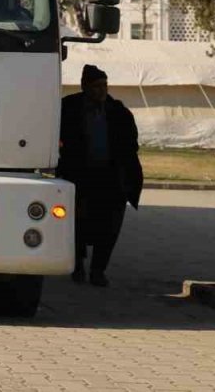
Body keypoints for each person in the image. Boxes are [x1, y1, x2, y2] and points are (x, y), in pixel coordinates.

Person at [57, 64, 143, 287]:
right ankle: (77, 266)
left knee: (109, 226)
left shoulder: (117, 111)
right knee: (76, 224)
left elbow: (131, 144)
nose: (102, 90)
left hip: (110, 178)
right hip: (79, 177)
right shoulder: (69, 108)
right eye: (97, 86)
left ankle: (98, 270)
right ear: (85, 87)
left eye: (105, 85)